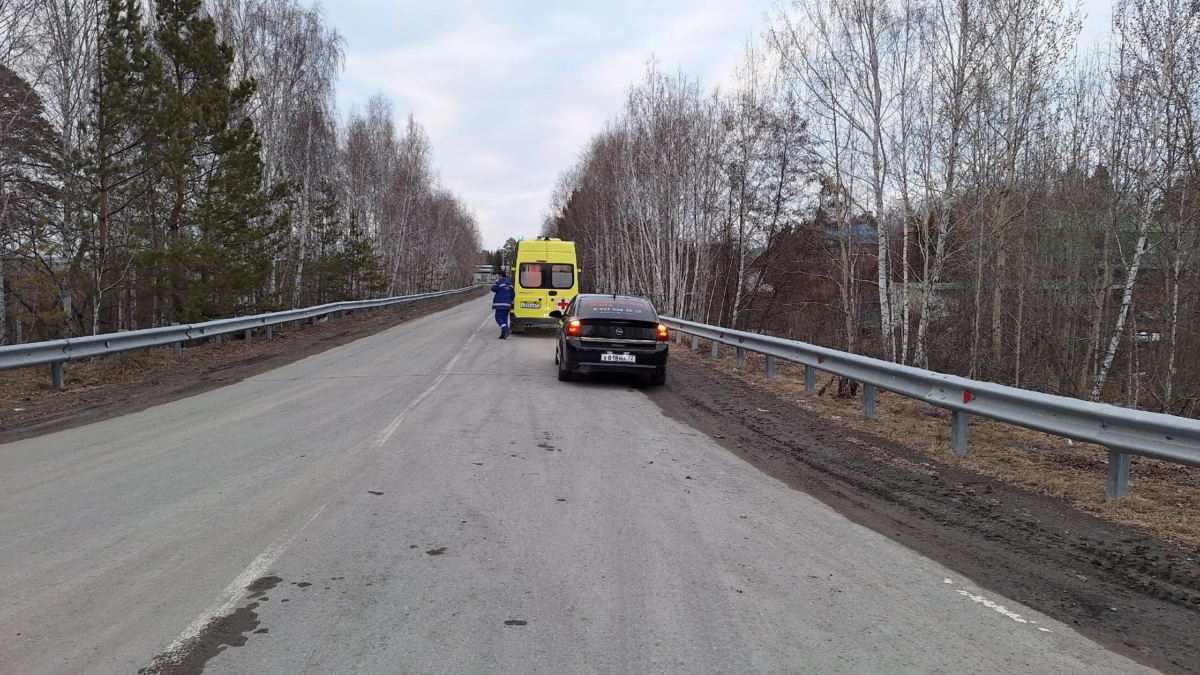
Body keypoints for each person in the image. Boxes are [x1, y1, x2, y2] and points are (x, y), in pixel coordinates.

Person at [491, 272, 515, 339]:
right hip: (507, 304)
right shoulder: (510, 284)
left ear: (500, 276)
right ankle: (503, 334)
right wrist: (510, 300)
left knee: (498, 318)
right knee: (504, 319)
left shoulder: (500, 282)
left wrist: (496, 282)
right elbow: (513, 294)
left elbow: (493, 289)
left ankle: (506, 329)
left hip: (500, 303)